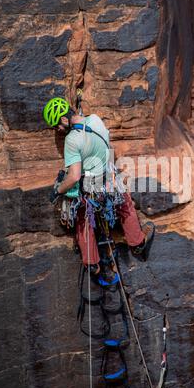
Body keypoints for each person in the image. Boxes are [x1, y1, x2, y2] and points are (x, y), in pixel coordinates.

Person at [42, 97, 155, 269]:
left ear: (64, 119)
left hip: (90, 191)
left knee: (83, 219)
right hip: (108, 181)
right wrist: (110, 171)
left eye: (57, 125)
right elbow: (108, 145)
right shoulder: (95, 119)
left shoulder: (72, 140)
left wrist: (58, 190)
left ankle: (92, 263)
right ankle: (138, 243)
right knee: (124, 203)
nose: (58, 130)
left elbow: (73, 177)